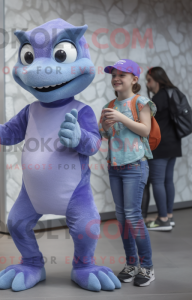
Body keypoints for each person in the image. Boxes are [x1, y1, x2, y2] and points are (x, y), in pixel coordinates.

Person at [99, 59, 156, 287]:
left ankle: (148, 267)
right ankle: (131, 264)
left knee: (133, 216)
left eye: (122, 74)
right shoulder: (110, 103)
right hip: (115, 167)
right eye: (113, 74)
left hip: (135, 165)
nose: (116, 78)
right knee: (122, 219)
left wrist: (121, 117)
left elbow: (145, 129)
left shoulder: (141, 102)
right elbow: (107, 134)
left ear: (134, 79)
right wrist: (103, 127)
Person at [143, 67, 182, 231]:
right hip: (174, 144)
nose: (147, 84)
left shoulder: (158, 98)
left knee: (157, 181)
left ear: (157, 80)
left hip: (161, 145)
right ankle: (169, 216)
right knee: (167, 181)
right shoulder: (173, 92)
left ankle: (163, 219)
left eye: (149, 80)